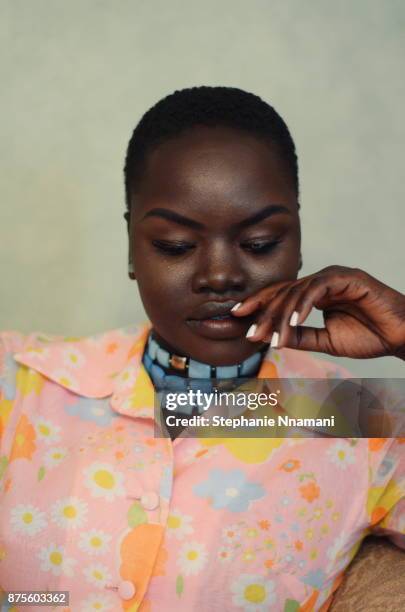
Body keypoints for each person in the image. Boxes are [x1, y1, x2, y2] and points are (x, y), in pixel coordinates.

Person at [0, 86, 404, 611]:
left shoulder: (358, 415)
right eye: (176, 246)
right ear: (131, 247)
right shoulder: (21, 381)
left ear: (298, 241)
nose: (220, 275)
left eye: (259, 243)